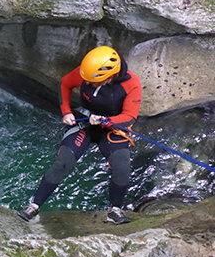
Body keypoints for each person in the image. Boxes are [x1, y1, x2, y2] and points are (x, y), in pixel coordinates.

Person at [18, 45, 142, 224]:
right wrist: (66, 112)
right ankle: (34, 206)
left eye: (92, 81)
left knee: (122, 167)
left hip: (112, 127)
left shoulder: (131, 84)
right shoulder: (88, 72)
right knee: (63, 162)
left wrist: (106, 120)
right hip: (84, 121)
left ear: (108, 76)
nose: (88, 84)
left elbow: (129, 116)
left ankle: (114, 210)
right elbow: (65, 83)